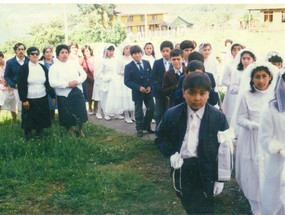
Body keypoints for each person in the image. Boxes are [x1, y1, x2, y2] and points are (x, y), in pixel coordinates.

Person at [155, 72, 230, 214]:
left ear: (209, 94)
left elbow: (225, 149)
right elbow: (160, 136)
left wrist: (221, 178)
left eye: (202, 93)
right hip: (184, 167)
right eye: (192, 93)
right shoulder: (172, 114)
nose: (197, 98)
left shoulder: (218, 117)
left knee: (206, 205)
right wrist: (171, 153)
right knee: (188, 202)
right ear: (183, 92)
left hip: (207, 168)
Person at [233, 62, 278, 215]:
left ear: (270, 77)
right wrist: (254, 125)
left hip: (271, 140)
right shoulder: (247, 95)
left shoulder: (276, 95)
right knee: (253, 171)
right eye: (257, 77)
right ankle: (256, 206)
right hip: (252, 140)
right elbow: (240, 119)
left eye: (264, 76)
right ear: (252, 79)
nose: (261, 80)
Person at [259, 68, 285, 215]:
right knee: (276, 202)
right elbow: (265, 138)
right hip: (279, 161)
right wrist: (280, 149)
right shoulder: (270, 109)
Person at [49, 44, 87, 137]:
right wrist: (67, 84)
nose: (64, 54)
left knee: (81, 112)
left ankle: (80, 129)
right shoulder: (53, 67)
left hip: (77, 90)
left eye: (66, 52)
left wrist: (77, 81)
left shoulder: (73, 63)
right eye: (62, 52)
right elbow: (52, 82)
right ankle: (70, 131)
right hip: (64, 94)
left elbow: (84, 75)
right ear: (57, 55)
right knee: (67, 116)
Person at [17, 47, 55, 140]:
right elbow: (21, 85)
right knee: (29, 119)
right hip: (29, 98)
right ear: (29, 55)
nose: (35, 55)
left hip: (42, 97)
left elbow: (47, 83)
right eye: (32, 54)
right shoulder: (24, 68)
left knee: (41, 117)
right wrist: (24, 99)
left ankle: (39, 132)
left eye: (37, 54)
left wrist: (52, 96)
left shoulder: (43, 67)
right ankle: (27, 134)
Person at [124, 45, 155, 137]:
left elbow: (151, 76)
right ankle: (139, 128)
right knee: (138, 111)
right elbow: (127, 81)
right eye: (134, 54)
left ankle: (147, 125)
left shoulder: (146, 63)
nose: (137, 55)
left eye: (138, 53)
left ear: (141, 53)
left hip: (148, 92)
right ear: (131, 55)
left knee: (151, 108)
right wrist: (138, 87)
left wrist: (150, 86)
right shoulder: (128, 66)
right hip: (137, 92)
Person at [229, 49, 256, 136]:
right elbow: (232, 88)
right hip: (242, 98)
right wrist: (243, 89)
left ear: (253, 59)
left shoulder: (256, 71)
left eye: (248, 58)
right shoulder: (237, 72)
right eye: (243, 58)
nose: (246, 61)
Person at [4, 42, 29, 120]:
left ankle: (30, 120)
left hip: (29, 86)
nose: (21, 51)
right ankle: (21, 121)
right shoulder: (10, 62)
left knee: (30, 103)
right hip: (17, 87)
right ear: (15, 51)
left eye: (22, 49)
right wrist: (13, 85)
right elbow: (7, 76)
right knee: (20, 104)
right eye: (19, 49)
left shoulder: (28, 60)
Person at [151, 40, 173, 128]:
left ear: (171, 50)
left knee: (170, 112)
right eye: (163, 51)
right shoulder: (157, 63)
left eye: (167, 51)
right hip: (160, 93)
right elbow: (153, 78)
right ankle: (158, 131)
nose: (165, 53)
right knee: (160, 112)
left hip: (172, 92)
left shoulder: (174, 62)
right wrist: (159, 89)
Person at [221, 42, 245, 122]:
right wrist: (234, 85)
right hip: (232, 94)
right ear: (231, 52)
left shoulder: (246, 64)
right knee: (232, 113)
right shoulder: (229, 65)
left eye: (239, 49)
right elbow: (224, 81)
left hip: (244, 92)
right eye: (234, 50)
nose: (236, 52)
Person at [117, 43, 134, 124]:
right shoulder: (121, 59)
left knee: (132, 97)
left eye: (129, 48)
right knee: (126, 98)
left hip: (133, 80)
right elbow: (118, 71)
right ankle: (127, 115)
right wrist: (127, 72)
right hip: (125, 80)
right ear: (123, 50)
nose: (128, 50)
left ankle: (133, 115)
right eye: (126, 48)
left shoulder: (132, 58)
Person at [39, 45, 57, 120]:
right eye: (47, 52)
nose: (49, 53)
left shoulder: (56, 62)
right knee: (48, 102)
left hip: (56, 84)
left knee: (55, 101)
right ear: (43, 54)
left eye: (50, 52)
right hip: (46, 86)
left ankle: (53, 118)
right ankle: (48, 119)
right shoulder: (40, 63)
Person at [0, 51, 17, 122]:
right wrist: (2, 82)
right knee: (0, 104)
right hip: (1, 88)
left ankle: (14, 120)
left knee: (12, 106)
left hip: (10, 87)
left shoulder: (9, 64)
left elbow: (14, 75)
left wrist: (8, 81)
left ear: (2, 57)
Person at [80, 45, 96, 114]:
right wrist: (91, 78)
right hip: (89, 79)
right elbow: (84, 71)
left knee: (97, 93)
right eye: (84, 51)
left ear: (90, 50)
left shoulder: (95, 58)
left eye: (87, 51)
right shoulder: (84, 60)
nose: (86, 53)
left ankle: (96, 107)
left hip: (97, 77)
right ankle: (90, 107)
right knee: (90, 93)